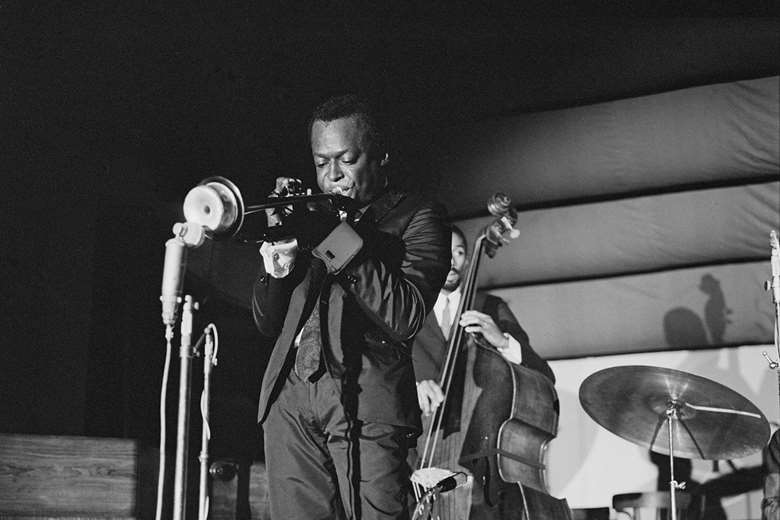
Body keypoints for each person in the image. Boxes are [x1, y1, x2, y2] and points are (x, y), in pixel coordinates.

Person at [252, 94, 451, 519]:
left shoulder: (419, 216)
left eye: (346, 160)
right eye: (322, 164)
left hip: (367, 398)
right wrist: (279, 269)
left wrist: (334, 237)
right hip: (290, 399)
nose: (334, 176)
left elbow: (406, 315)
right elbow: (268, 323)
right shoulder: (310, 219)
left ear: (380, 157)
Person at [411, 225, 555, 520]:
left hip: (480, 463)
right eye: (443, 253)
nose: (451, 262)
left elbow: (542, 374)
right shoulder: (409, 309)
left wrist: (501, 339)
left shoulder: (490, 307)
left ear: (467, 259)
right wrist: (411, 387)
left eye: (459, 252)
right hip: (419, 450)